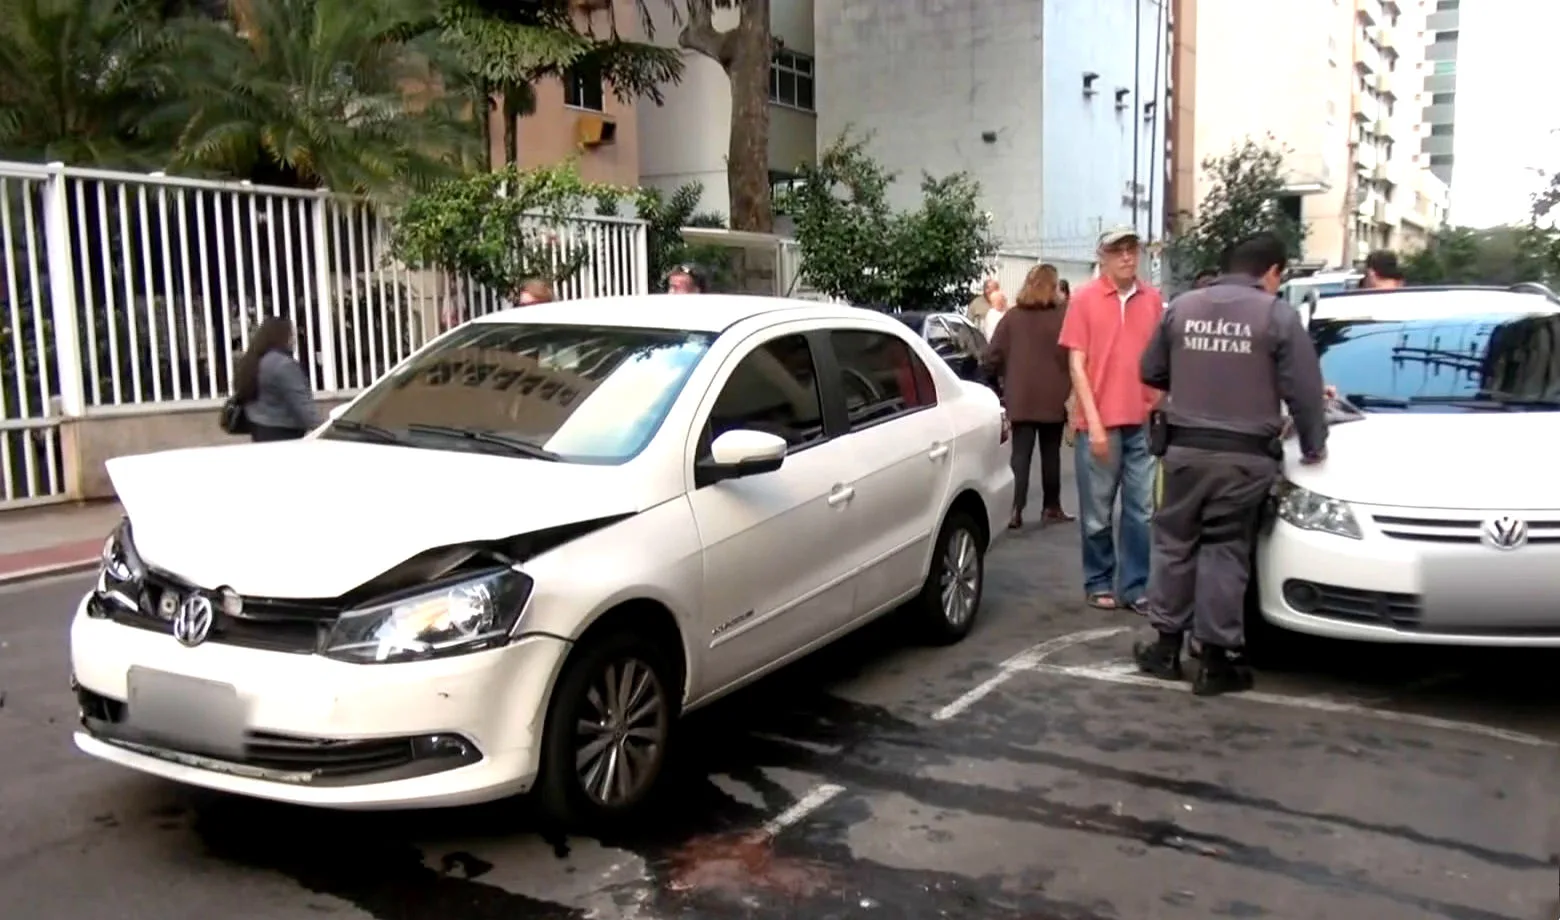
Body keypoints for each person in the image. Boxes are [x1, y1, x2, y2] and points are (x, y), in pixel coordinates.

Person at [1133, 231, 1328, 696]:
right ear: (1272, 272)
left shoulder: (1183, 307)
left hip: (1182, 453)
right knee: (1224, 551)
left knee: (1175, 545)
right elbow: (1304, 391)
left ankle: (1164, 649)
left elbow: (1150, 370)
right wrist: (1314, 444)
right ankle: (1215, 662)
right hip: (1243, 460)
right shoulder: (1277, 316)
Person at [1059, 226, 1165, 612]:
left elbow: (1161, 357)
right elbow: (1077, 365)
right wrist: (1095, 423)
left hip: (1141, 422)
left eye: (1131, 249)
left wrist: (1159, 401)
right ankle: (1098, 579)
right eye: (1117, 250)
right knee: (1097, 513)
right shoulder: (1085, 300)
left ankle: (1136, 585)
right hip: (1098, 424)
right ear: (1102, 255)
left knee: (1141, 511)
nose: (1126, 256)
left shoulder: (1152, 300)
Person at [984, 263, 1075, 530]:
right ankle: (1051, 506)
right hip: (1055, 397)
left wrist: (1001, 380)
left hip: (1020, 396)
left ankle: (1014, 509)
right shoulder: (1063, 316)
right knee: (1051, 453)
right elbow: (1075, 353)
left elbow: (991, 357)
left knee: (1020, 455)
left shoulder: (1012, 317)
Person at [235, 316, 319, 442]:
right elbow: (302, 404)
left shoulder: (253, 362)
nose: (295, 340)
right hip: (284, 433)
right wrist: (323, 429)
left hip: (259, 429)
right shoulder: (284, 365)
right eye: (292, 335)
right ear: (283, 337)